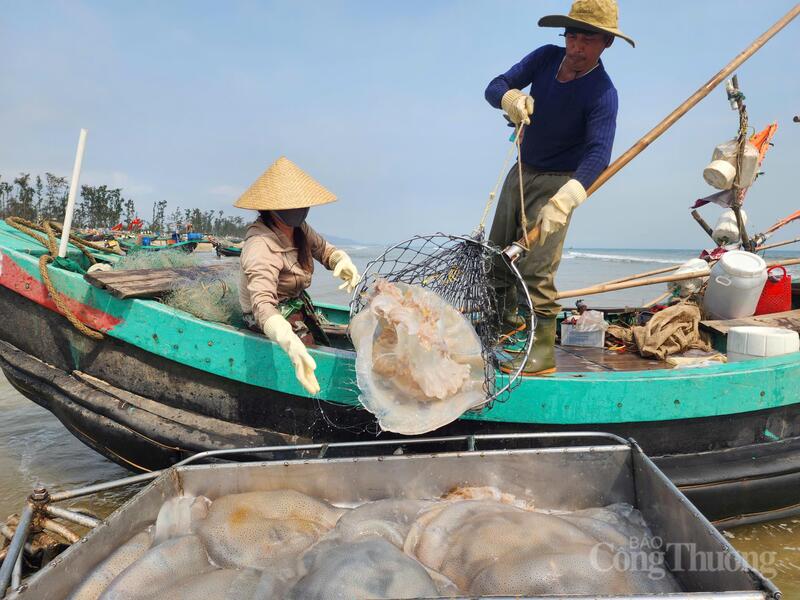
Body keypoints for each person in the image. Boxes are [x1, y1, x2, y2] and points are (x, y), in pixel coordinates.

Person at [484, 0, 633, 375]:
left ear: (606, 44)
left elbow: (598, 154)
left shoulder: (602, 93)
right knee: (496, 256)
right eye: (573, 36)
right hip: (520, 171)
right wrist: (512, 99)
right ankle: (501, 330)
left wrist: (566, 199)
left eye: (588, 40)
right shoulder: (546, 58)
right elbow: (495, 86)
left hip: (558, 183)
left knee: (536, 269)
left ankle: (541, 353)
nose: (577, 47)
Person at [236, 156, 359, 395]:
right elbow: (261, 304)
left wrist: (340, 260)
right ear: (270, 207)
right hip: (266, 316)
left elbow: (323, 249)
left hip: (293, 304)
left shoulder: (299, 229)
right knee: (307, 354)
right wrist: (287, 339)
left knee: (323, 338)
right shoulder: (260, 246)